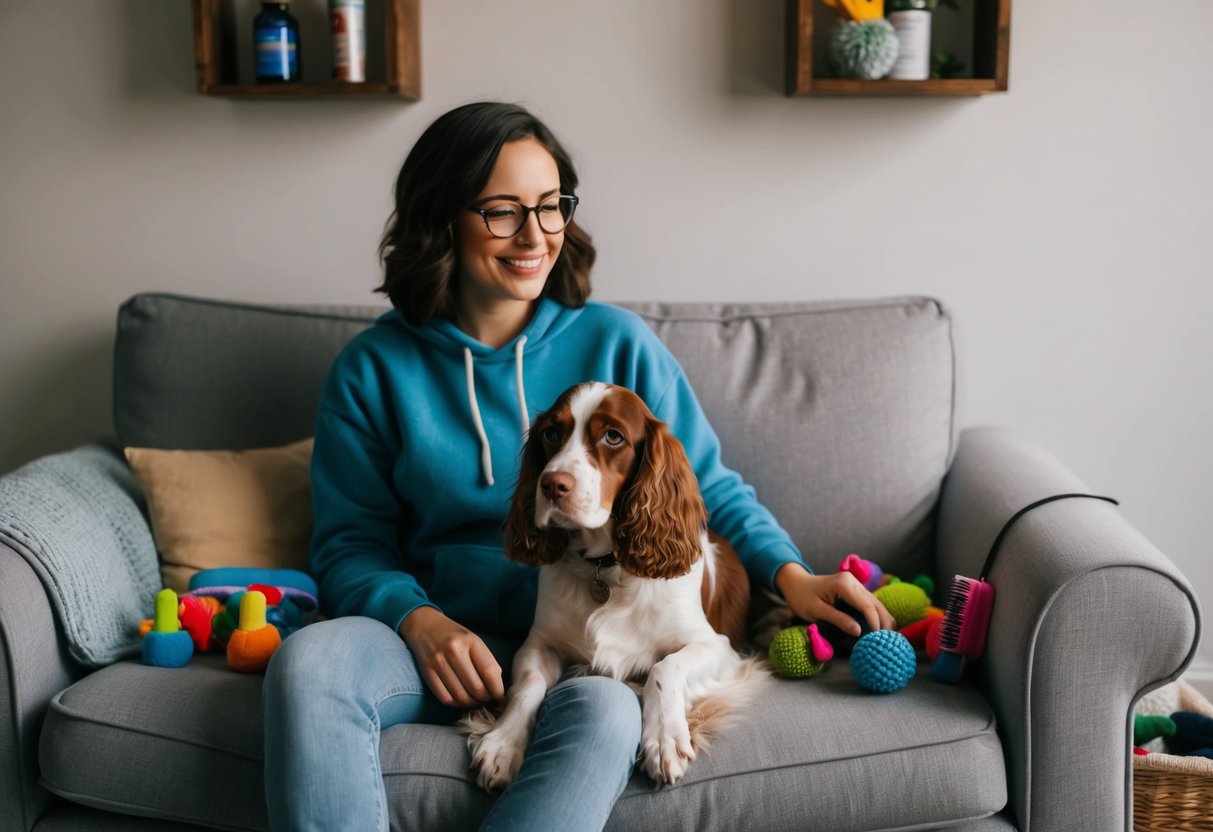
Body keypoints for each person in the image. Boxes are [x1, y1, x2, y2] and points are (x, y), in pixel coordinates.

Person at [262, 101, 894, 832]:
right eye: (502, 210)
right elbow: (349, 544)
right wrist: (418, 621)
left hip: (585, 641)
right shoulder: (371, 369)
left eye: (551, 205)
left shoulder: (617, 343)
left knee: (602, 714)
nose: (534, 235)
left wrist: (790, 576)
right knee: (308, 663)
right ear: (440, 218)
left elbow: (708, 487)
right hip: (429, 639)